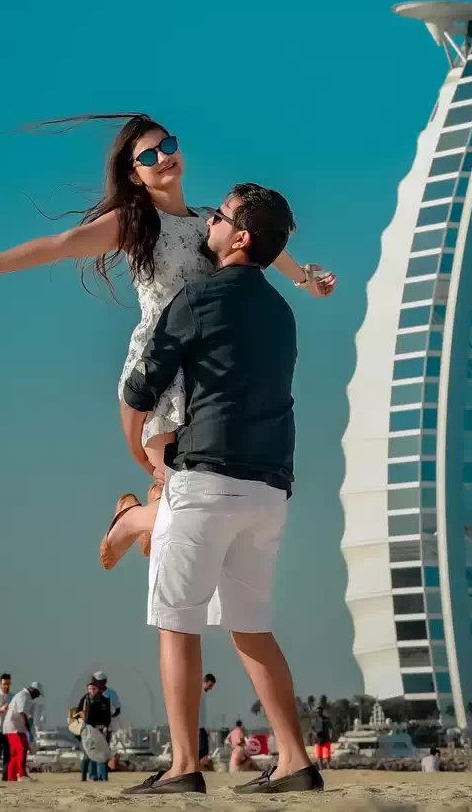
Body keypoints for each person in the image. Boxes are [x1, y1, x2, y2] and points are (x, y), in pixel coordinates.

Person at [0, 118, 337, 572]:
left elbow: (261, 241)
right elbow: (63, 244)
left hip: (206, 365)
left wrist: (305, 279)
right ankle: (132, 521)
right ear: (134, 174)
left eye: (167, 145)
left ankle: (141, 513)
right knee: (182, 490)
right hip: (161, 361)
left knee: (189, 484)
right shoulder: (134, 222)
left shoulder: (211, 219)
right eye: (148, 155)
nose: (163, 157)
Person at [117, 184, 325, 796]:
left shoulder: (200, 296)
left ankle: (183, 766)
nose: (209, 217)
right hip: (270, 488)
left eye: (222, 214)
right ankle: (294, 760)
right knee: (251, 625)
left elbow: (143, 384)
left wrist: (138, 452)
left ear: (238, 238)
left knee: (177, 621)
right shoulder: (283, 312)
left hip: (206, 480)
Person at [76, 676, 114, 781]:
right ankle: (88, 777)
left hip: (101, 730)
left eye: (94, 689)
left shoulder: (105, 700)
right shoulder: (84, 699)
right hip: (88, 730)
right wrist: (81, 722)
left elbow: (108, 716)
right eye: (90, 689)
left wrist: (106, 726)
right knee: (88, 755)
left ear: (98, 689)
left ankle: (103, 777)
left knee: (102, 754)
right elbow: (77, 714)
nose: (92, 691)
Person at [4, 680, 42, 781]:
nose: (37, 696)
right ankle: (22, 774)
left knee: (15, 753)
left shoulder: (27, 697)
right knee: (21, 749)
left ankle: (11, 777)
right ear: (34, 690)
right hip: (13, 728)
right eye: (38, 694)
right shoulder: (23, 696)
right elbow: (22, 713)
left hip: (18, 728)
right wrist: (28, 730)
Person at [198, 672, 217, 769]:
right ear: (204, 682)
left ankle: (199, 765)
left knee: (204, 749)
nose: (211, 688)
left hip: (202, 725)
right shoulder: (198, 692)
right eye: (210, 685)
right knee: (203, 748)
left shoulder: (203, 694)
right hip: (197, 725)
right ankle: (195, 764)